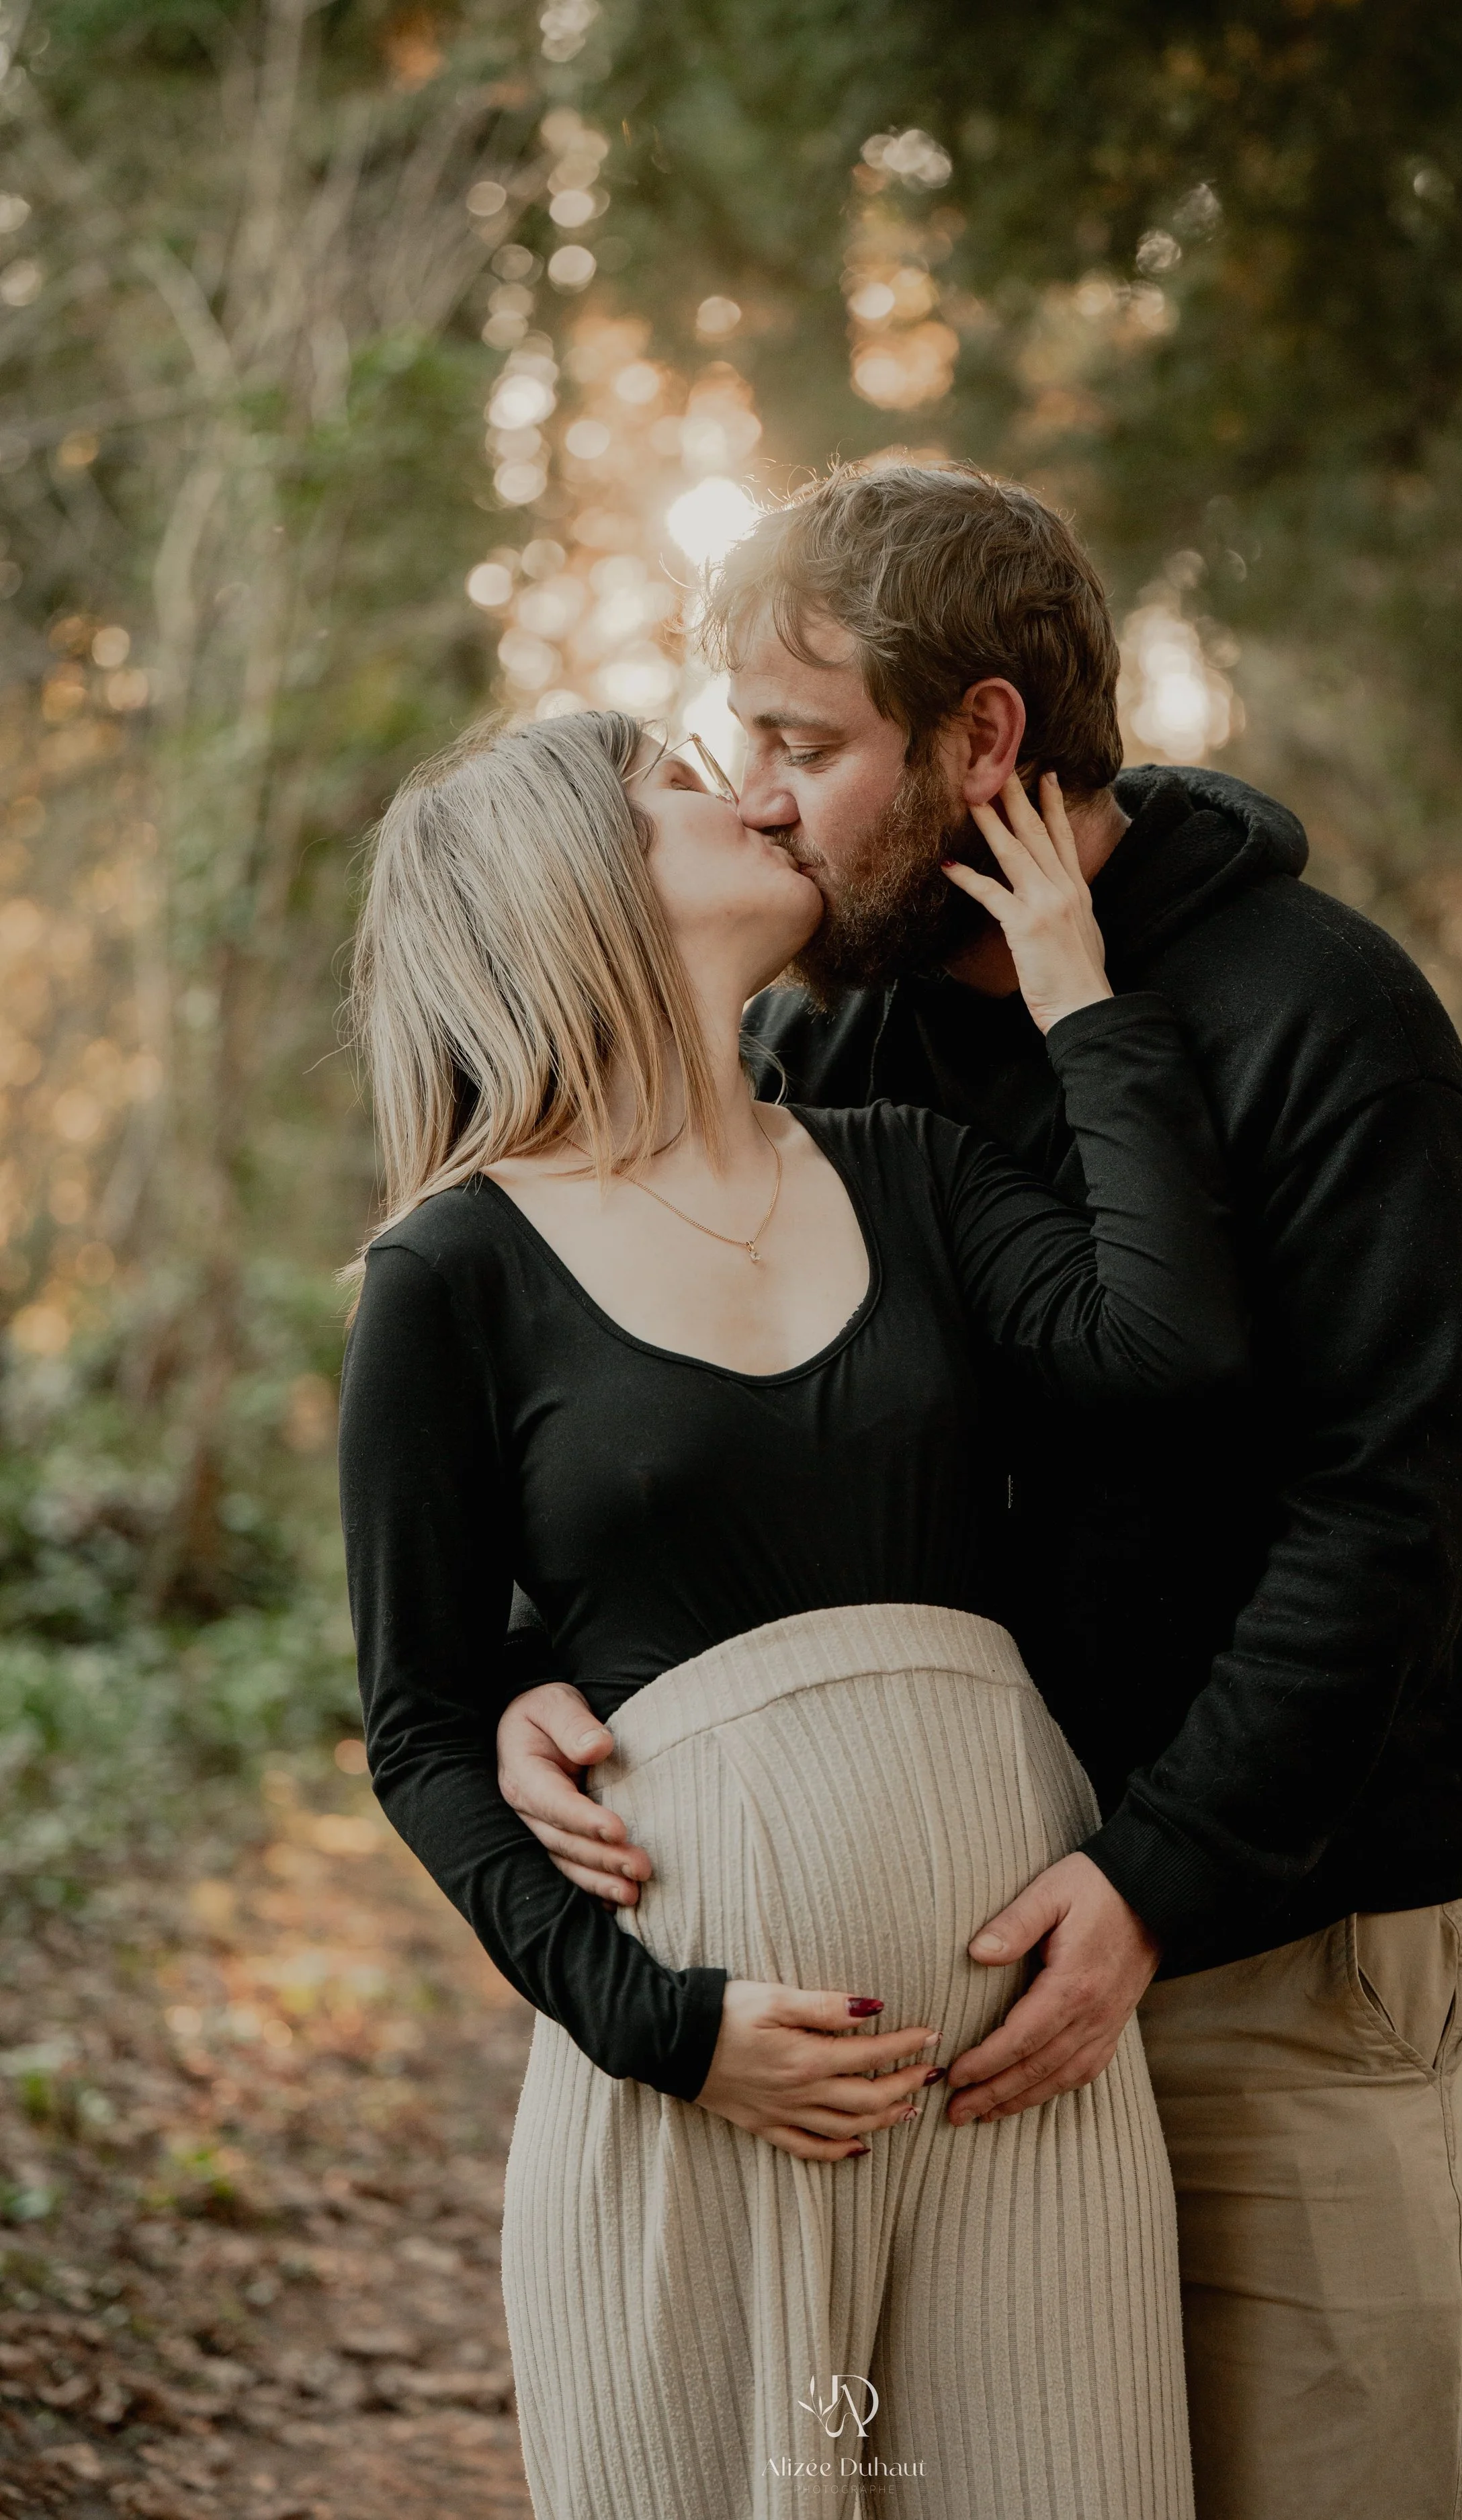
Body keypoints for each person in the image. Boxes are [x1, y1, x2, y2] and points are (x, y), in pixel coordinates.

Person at [494, 462, 1462, 2520]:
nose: (766, 800)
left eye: (808, 745)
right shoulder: (824, 1038)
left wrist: (1153, 1879)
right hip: (945, 1974)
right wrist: (542, 1662)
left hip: (1267, 1955)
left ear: (983, 736)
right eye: (748, 747)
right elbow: (708, 1412)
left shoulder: (1322, 1025)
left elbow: (1376, 1520)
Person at [335, 702, 1253, 2520]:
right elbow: (424, 1721)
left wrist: (1078, 991)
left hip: (1019, 2082)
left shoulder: (906, 1166)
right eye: (686, 785)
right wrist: (660, 2024)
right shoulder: (452, 1269)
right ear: (573, 878)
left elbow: (1168, 1351)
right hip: (712, 2089)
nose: (756, 795)